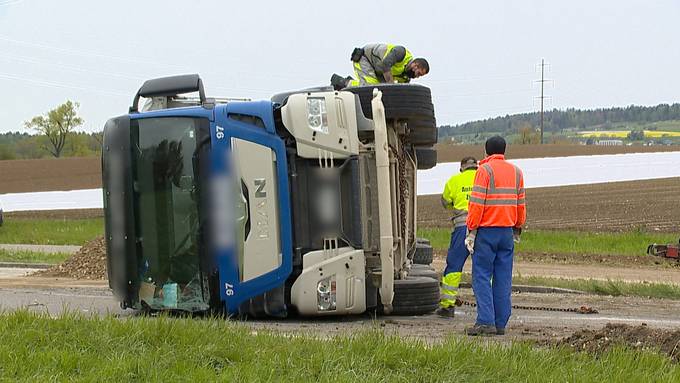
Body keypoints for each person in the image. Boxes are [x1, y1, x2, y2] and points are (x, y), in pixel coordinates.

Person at [465, 136, 526, 336]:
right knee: (503, 278)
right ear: (504, 150)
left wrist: (471, 230)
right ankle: (500, 323)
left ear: (486, 152)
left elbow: (476, 204)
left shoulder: (484, 171)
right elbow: (520, 205)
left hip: (486, 232)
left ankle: (485, 322)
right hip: (507, 233)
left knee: (481, 276)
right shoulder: (517, 172)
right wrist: (517, 227)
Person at [436, 157, 478, 318]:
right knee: (484, 268)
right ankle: (488, 306)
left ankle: (447, 306)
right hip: (483, 229)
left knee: (454, 266)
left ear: (462, 168)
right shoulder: (484, 179)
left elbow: (446, 202)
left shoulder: (454, 180)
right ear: (477, 166)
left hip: (462, 228)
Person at [330, 43, 429, 90]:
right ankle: (342, 82)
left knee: (379, 90)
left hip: (378, 71)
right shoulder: (401, 53)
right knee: (368, 88)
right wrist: (391, 86)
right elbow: (385, 65)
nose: (417, 77)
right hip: (365, 58)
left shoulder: (405, 78)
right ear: (415, 65)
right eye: (419, 73)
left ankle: (350, 83)